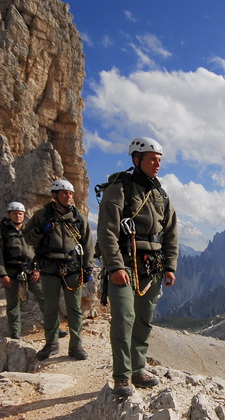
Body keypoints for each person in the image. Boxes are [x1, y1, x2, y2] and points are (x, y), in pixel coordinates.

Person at [97, 136, 178, 397]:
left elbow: (171, 233)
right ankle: (122, 376)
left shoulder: (161, 195)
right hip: (124, 264)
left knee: (144, 319)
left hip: (152, 267)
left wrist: (170, 267)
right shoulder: (119, 189)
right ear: (136, 159)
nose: (157, 164)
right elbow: (107, 232)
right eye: (152, 159)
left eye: (159, 160)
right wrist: (115, 266)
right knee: (123, 318)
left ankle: (138, 368)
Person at [25, 179, 94, 360]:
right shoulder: (41, 216)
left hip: (72, 267)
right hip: (49, 267)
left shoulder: (78, 218)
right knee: (50, 307)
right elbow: (28, 239)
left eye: (70, 193)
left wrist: (88, 267)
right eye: (64, 193)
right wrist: (41, 230)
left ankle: (76, 346)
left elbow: (87, 244)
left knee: (74, 309)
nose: (69, 196)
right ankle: (51, 344)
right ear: (55, 196)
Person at [0, 201, 45, 339]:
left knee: (44, 296)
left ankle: (53, 327)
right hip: (11, 271)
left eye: (20, 213)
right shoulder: (2, 232)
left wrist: (37, 269)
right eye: (15, 213)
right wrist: (2, 274)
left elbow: (38, 250)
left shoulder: (29, 230)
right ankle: (15, 331)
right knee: (13, 302)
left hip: (30, 270)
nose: (18, 216)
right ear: (9, 214)